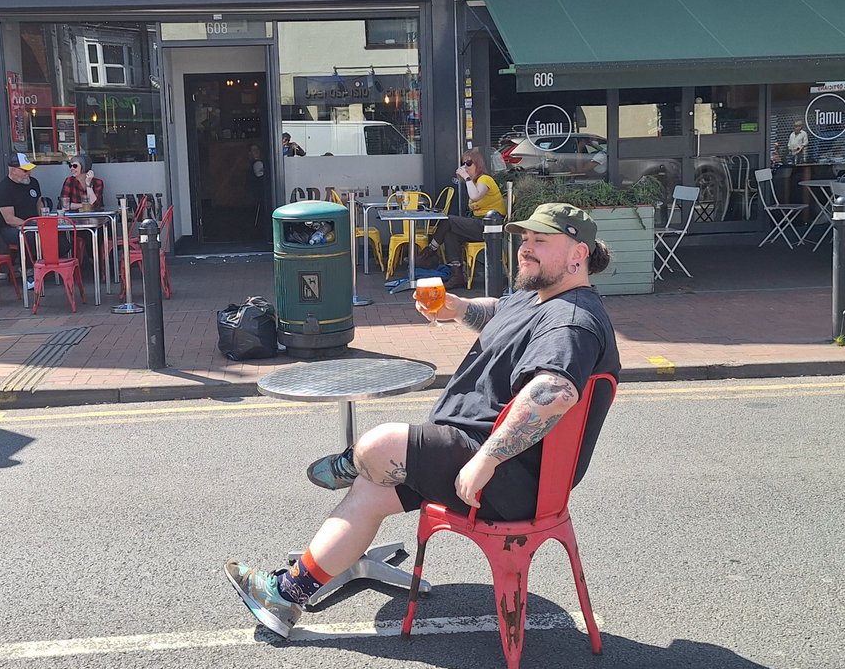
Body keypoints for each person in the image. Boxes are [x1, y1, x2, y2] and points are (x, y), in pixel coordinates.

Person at [224, 202, 621, 638]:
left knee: (383, 447)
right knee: (371, 491)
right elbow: (501, 312)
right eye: (525, 238)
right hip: (472, 445)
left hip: (511, 477)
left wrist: (487, 460)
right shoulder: (542, 295)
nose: (525, 248)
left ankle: (349, 461)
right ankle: (285, 595)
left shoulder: (571, 320)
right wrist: (458, 308)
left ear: (577, 254)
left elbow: (555, 392)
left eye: (540, 241)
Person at [416, 148, 505, 272]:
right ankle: (456, 273)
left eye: (469, 163)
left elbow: (475, 196)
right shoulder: (474, 182)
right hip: (479, 224)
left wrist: (467, 178)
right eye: (463, 164)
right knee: (450, 234)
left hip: (490, 225)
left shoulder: (485, 179)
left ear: (478, 164)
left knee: (449, 220)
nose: (465, 167)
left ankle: (430, 250)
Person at [0, 152, 42, 287]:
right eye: (25, 170)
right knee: (27, 236)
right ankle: (28, 274)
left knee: (60, 239)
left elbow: (38, 202)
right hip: (10, 228)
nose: (28, 173)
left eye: (29, 170)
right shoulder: (4, 189)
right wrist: (31, 224)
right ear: (13, 170)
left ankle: (47, 266)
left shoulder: (33, 183)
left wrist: (43, 219)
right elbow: (9, 219)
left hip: (33, 223)